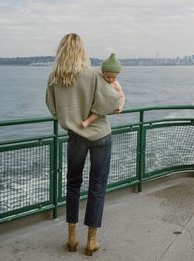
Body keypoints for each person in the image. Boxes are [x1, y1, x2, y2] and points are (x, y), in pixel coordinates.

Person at [45, 33, 121, 256]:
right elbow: (113, 102)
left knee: (72, 184)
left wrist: (71, 113)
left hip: (76, 137)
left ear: (61, 50)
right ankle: (91, 242)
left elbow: (52, 108)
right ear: (82, 51)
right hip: (100, 137)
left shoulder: (54, 77)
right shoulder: (93, 75)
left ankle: (71, 238)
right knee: (97, 186)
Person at [81, 53, 125, 128]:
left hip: (109, 104)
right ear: (102, 73)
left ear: (118, 75)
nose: (110, 80)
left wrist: (121, 107)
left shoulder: (115, 84)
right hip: (102, 101)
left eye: (113, 77)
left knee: (100, 110)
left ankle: (88, 121)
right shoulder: (99, 79)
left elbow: (122, 96)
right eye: (107, 77)